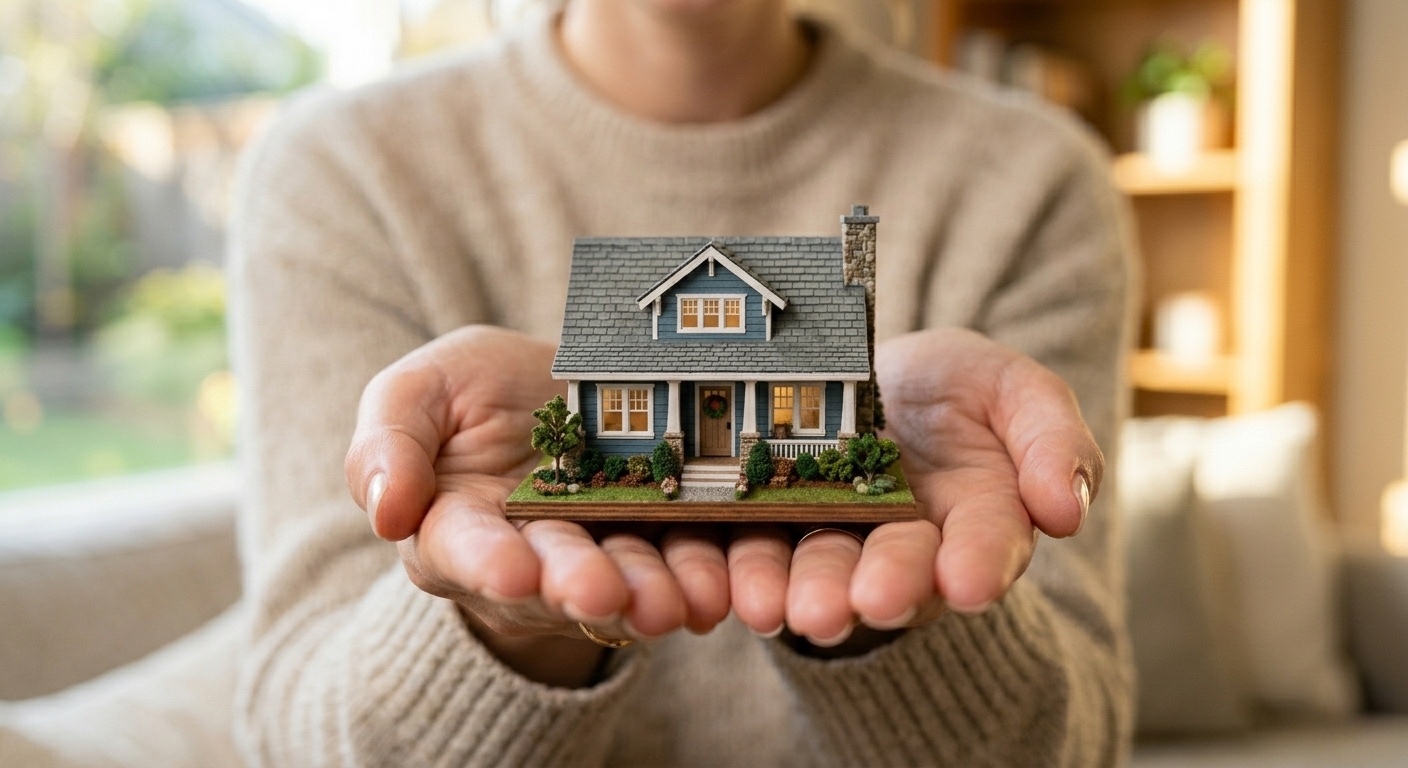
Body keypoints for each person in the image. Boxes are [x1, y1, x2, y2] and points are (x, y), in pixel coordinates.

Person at [230, 0, 1135, 764]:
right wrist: (506, 630)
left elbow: (1075, 740)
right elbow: (294, 731)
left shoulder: (1034, 179)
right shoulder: (341, 167)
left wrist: (891, 626)